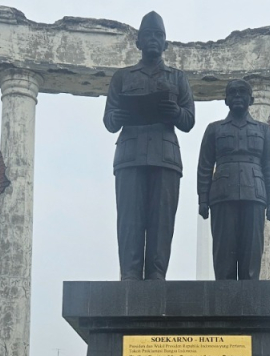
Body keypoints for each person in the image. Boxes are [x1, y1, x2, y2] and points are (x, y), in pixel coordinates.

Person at [102, 11, 195, 280]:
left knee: (161, 222)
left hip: (165, 157)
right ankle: (129, 276)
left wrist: (175, 112)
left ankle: (156, 276)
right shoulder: (122, 77)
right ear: (138, 42)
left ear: (165, 44)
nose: (153, 39)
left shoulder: (178, 78)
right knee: (129, 220)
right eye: (148, 35)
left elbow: (189, 120)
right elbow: (108, 120)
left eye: (159, 35)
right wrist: (118, 117)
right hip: (130, 156)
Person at [196, 78, 270, 280]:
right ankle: (224, 293)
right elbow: (205, 166)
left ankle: (250, 294)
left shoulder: (263, 130)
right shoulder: (214, 129)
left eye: (242, 92)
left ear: (251, 99)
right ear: (226, 100)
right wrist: (203, 200)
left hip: (255, 195)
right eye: (232, 93)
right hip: (222, 195)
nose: (237, 96)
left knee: (252, 254)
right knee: (223, 254)